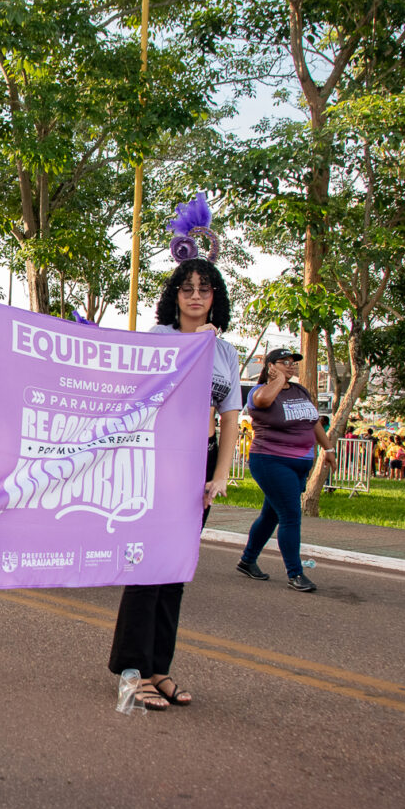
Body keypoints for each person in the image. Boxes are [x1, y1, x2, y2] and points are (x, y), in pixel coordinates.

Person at [109, 200, 242, 713]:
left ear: (216, 297)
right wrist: (195, 348)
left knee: (177, 566)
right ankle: (132, 671)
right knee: (148, 565)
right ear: (174, 296)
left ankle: (160, 667)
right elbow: (143, 393)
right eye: (186, 288)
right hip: (156, 462)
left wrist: (222, 474)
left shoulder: (226, 351)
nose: (194, 296)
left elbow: (230, 418)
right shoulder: (160, 340)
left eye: (204, 289)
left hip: (200, 465)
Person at [238, 347, 336, 591]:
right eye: (284, 362)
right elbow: (264, 402)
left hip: (300, 463)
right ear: (270, 366)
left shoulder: (300, 391)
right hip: (271, 461)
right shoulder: (259, 392)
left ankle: (247, 561)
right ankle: (295, 574)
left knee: (271, 515)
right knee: (291, 516)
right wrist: (278, 379)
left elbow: (312, 421)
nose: (291, 366)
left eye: (293, 363)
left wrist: (329, 450)